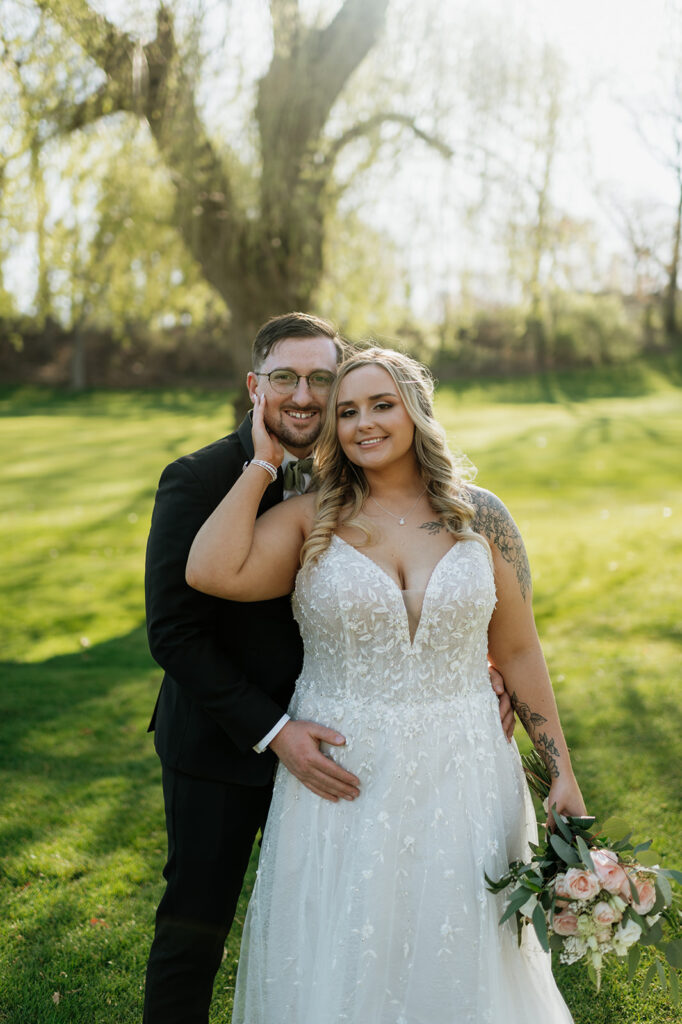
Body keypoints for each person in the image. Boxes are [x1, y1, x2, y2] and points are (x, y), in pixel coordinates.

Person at [186, 347, 586, 1023]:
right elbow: (211, 571)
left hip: (463, 768)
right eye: (346, 412)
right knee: (343, 954)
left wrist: (563, 773)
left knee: (462, 950)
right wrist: (262, 463)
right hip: (343, 776)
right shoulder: (310, 516)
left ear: (416, 411)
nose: (363, 423)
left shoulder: (481, 517)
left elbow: (517, 651)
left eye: (381, 404)